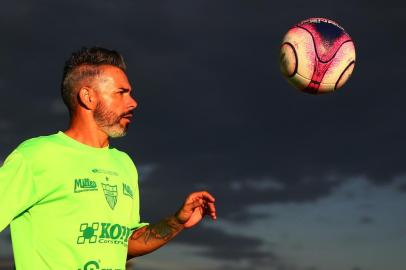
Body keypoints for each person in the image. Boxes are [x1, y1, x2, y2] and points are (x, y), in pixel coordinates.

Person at [0, 47, 216, 270]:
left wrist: (176, 222)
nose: (133, 103)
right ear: (88, 97)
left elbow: (126, 244)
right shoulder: (35, 156)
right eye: (121, 93)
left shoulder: (123, 164)